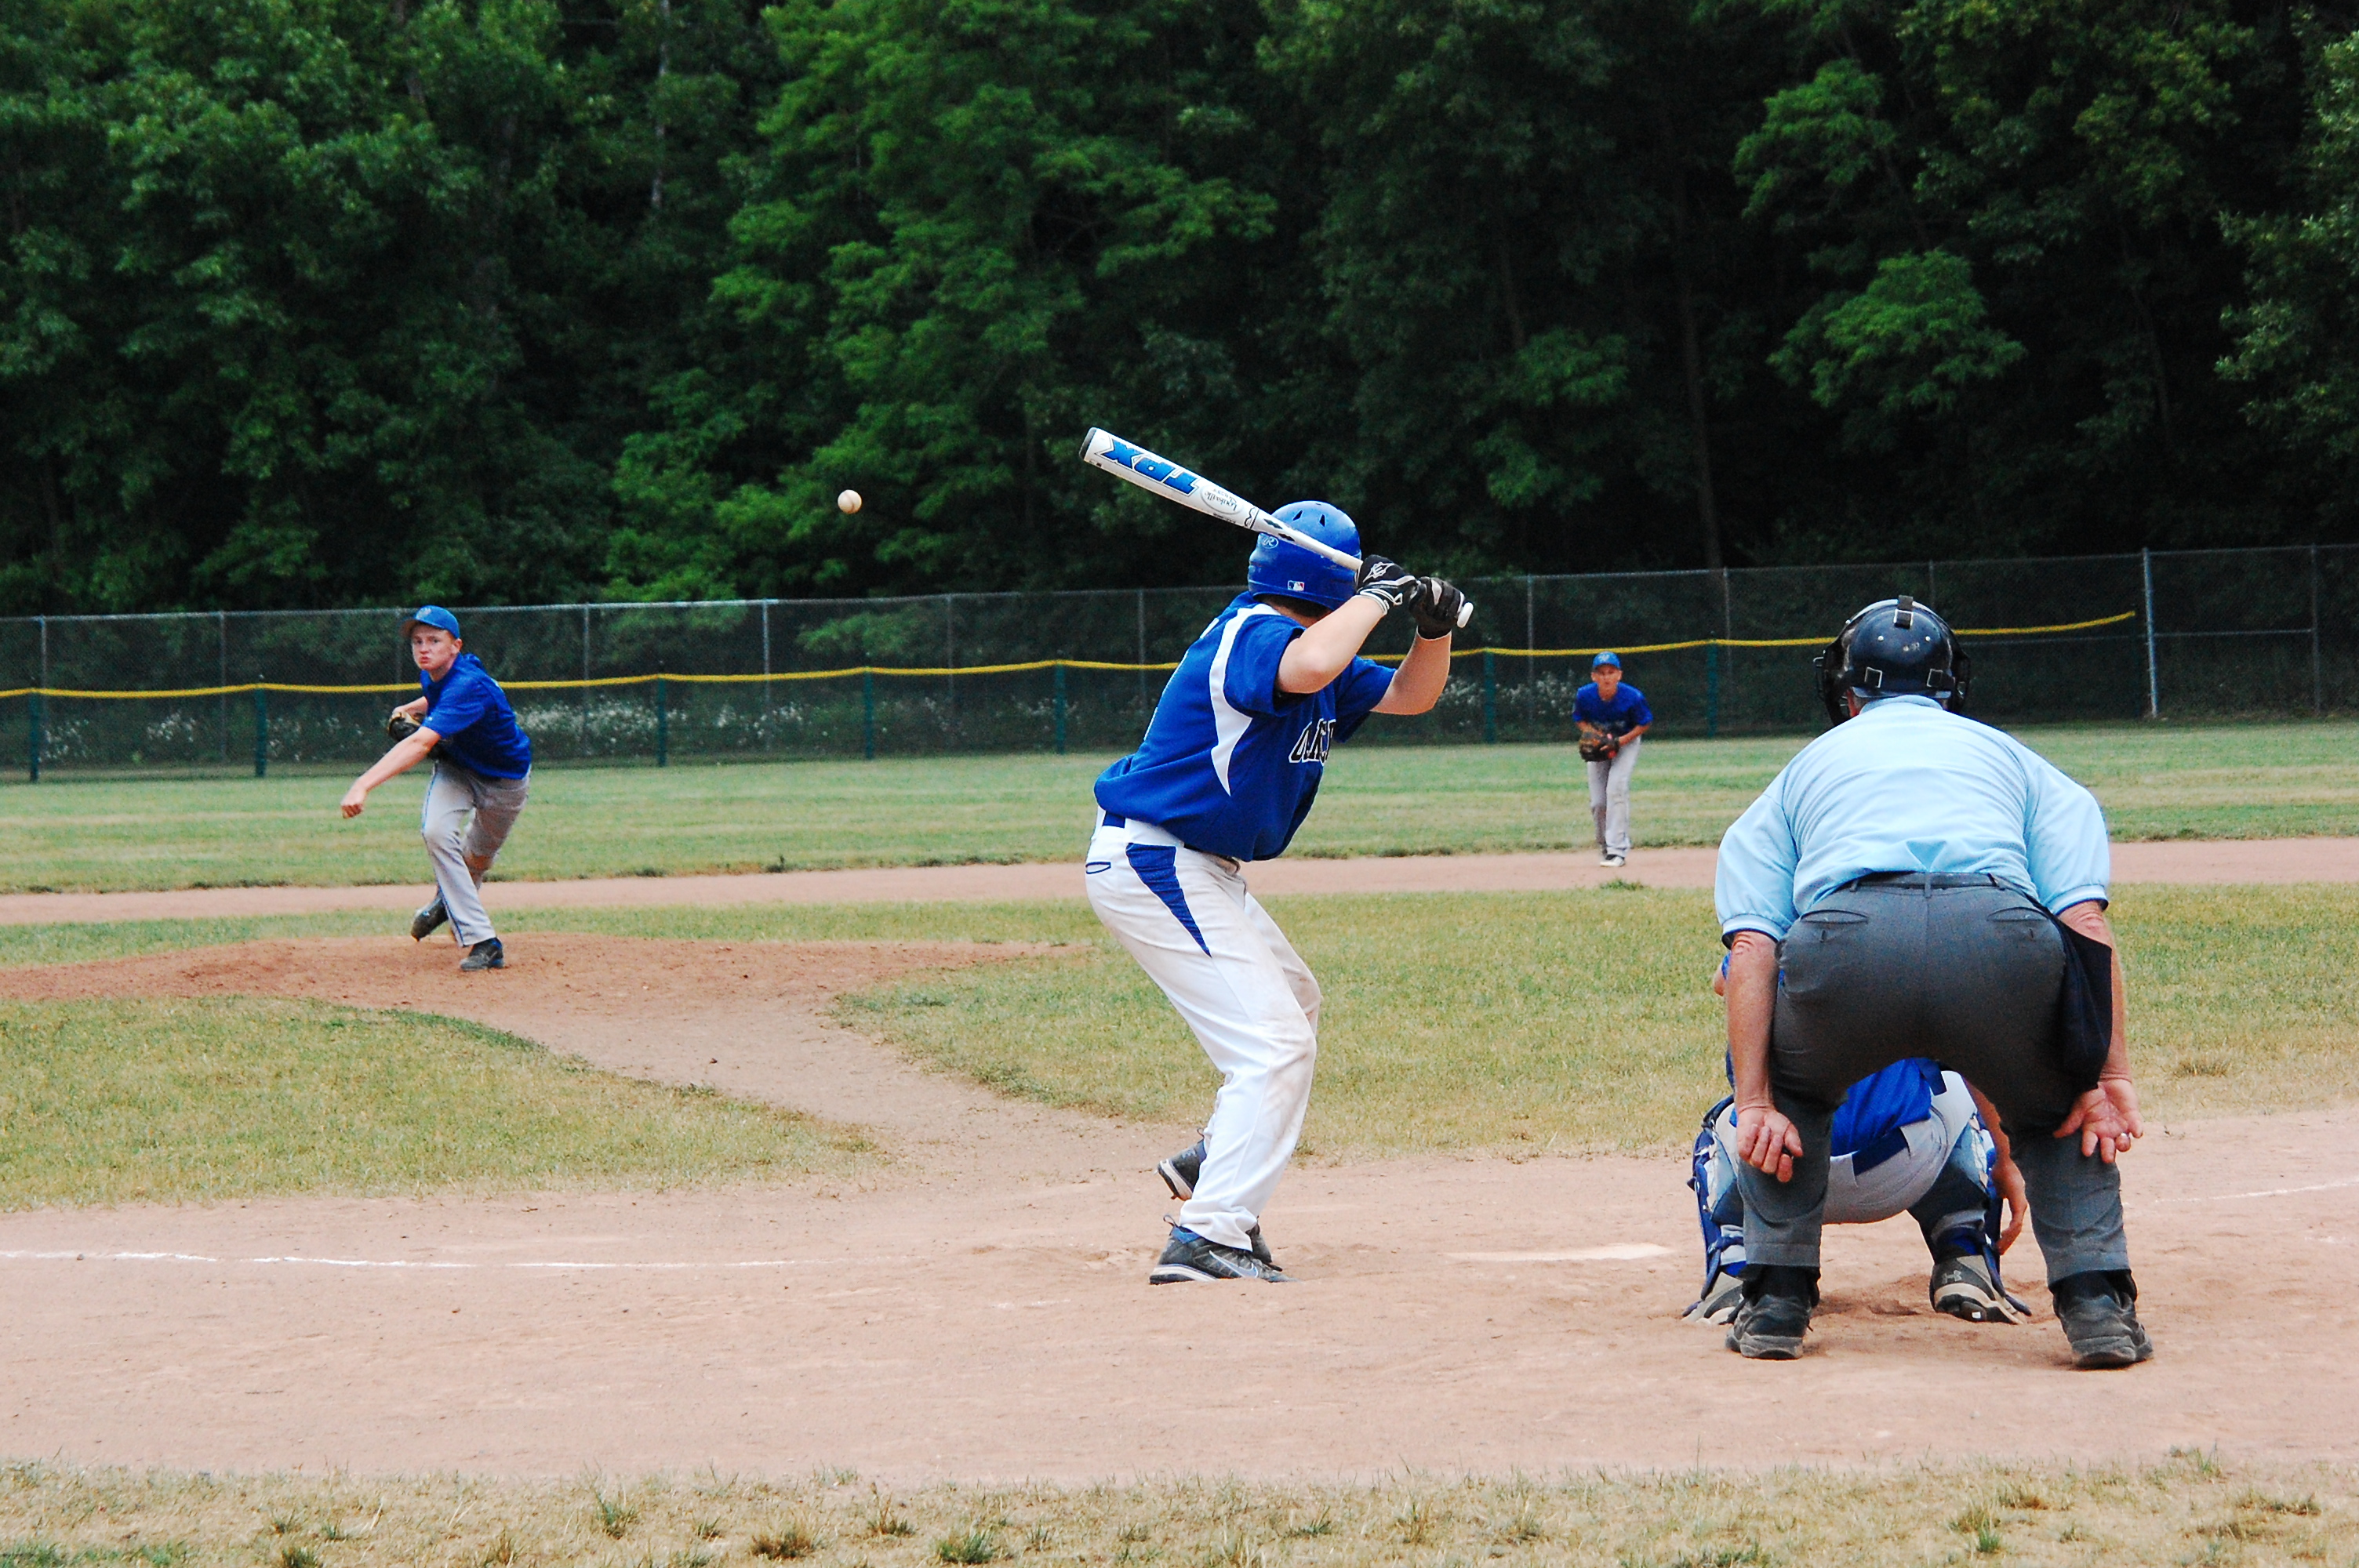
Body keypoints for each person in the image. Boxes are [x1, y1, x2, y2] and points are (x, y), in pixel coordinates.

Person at [1714, 595, 2150, 1367]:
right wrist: (2102, 1073)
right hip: (1998, 938)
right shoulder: (2015, 760)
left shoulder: (1800, 772)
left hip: (1846, 945)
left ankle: (1776, 1301)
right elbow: (2084, 921)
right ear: (1952, 688)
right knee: (2057, 1104)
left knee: (1793, 1092)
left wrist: (1757, 1101)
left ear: (1847, 692)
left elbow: (1752, 946)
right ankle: (2096, 1307)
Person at [1089, 504, 1463, 1283]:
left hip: (1202, 866)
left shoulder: (1315, 645)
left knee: (1294, 1002)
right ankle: (1207, 1237)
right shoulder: (1252, 631)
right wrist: (1377, 598)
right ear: (1337, 583)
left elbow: (1409, 695)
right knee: (1274, 1045)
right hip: (1157, 858)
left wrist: (1431, 631)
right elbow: (1307, 667)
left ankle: (1215, 1157)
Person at [1688, 953, 2030, 1325]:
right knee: (1958, 1089)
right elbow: (1977, 1055)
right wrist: (2007, 1162)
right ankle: (1964, 1254)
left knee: (1722, 1125)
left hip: (1779, 1175)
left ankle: (1735, 1268)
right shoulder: (1923, 944)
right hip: (1898, 1170)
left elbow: (1726, 981)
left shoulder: (1779, 937)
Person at [340, 605, 533, 973]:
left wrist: (363, 784)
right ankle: (485, 942)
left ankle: (447, 902)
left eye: (434, 640)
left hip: (505, 781)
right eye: (417, 641)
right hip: (457, 769)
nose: (424, 648)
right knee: (436, 830)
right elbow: (435, 697)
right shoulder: (436, 674)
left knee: (477, 860)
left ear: (455, 646)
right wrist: (409, 707)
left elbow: (419, 744)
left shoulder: (468, 685)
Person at [1573, 652, 1650, 868]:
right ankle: (1606, 847)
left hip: (1626, 743)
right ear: (1594, 677)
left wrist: (1619, 742)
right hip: (1600, 746)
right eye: (1601, 673)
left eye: (1611, 672)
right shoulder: (1584, 695)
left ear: (1619, 675)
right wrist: (1594, 735)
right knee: (1598, 802)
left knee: (1616, 789)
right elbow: (1579, 719)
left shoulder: (1633, 697)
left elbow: (1644, 723)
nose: (1606, 677)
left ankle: (1618, 850)